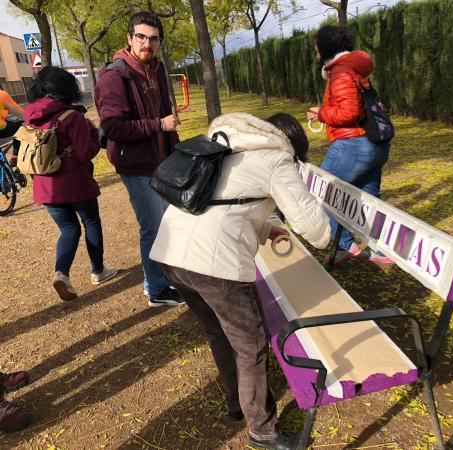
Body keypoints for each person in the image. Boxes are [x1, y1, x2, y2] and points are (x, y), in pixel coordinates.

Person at [150, 112, 330, 450]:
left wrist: (266, 227)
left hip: (171, 254)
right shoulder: (277, 158)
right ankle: (263, 431)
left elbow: (227, 203)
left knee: (219, 331)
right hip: (214, 266)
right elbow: (316, 230)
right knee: (251, 346)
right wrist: (328, 226)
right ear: (291, 144)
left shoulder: (226, 145)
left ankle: (237, 403)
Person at [94, 11, 183, 307]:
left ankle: (163, 280)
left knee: (167, 224)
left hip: (162, 160)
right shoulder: (114, 75)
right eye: (141, 37)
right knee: (153, 227)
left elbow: (165, 111)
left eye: (154, 38)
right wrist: (159, 124)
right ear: (130, 38)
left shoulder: (156, 69)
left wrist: (173, 146)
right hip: (136, 164)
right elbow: (113, 127)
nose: (147, 43)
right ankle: (156, 290)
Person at [24, 67, 119, 301]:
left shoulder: (31, 116)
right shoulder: (72, 117)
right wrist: (94, 135)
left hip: (45, 186)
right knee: (91, 223)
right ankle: (98, 271)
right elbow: (85, 153)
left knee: (68, 229)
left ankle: (61, 273)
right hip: (75, 183)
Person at [306, 25, 393, 266]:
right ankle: (379, 249)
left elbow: (349, 111)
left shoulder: (341, 71)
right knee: (368, 200)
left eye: (316, 48)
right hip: (374, 144)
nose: (315, 53)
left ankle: (346, 245)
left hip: (352, 144)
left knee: (323, 191)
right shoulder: (356, 67)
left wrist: (321, 114)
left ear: (325, 48)